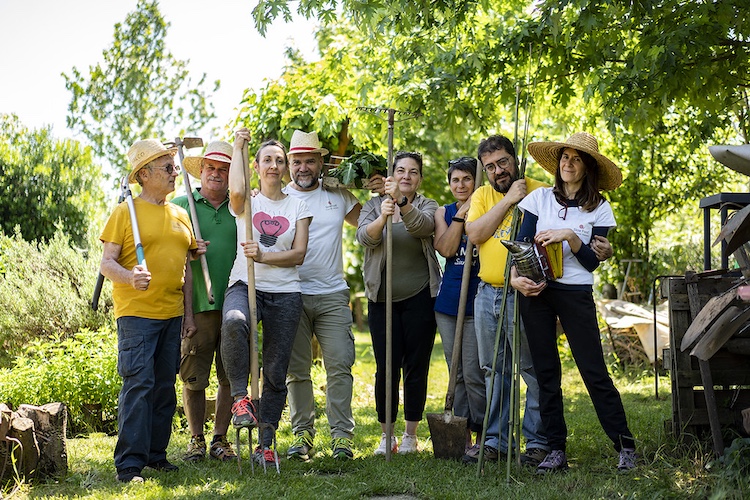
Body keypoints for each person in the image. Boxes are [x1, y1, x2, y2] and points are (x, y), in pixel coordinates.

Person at [511, 132, 635, 473]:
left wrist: (568, 236)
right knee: (546, 373)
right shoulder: (538, 199)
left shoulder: (600, 208)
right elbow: (521, 245)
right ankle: (555, 450)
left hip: (576, 293)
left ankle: (625, 445)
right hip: (537, 292)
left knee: (593, 371)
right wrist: (516, 279)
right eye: (565, 157)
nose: (568, 163)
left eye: (576, 159)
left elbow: (592, 262)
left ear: (587, 168)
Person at [100, 139, 204, 483]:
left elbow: (187, 269)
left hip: (172, 315)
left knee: (163, 387)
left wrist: (189, 315)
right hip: (137, 315)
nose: (175, 173)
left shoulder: (180, 214)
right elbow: (106, 263)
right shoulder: (124, 212)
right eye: (167, 168)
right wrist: (130, 276)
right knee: (139, 385)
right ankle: (129, 463)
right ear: (144, 175)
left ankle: (156, 455)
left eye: (174, 167)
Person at [283, 130, 385, 460]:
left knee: (340, 364)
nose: (303, 167)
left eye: (309, 161)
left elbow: (369, 227)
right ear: (289, 164)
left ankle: (341, 437)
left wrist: (383, 195)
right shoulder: (278, 198)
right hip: (291, 294)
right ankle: (303, 435)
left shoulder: (338, 195)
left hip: (332, 294)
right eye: (297, 161)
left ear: (320, 163)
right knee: (297, 369)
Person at [221, 129, 312, 466]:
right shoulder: (248, 202)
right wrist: (238, 147)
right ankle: (240, 399)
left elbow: (298, 254)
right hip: (245, 284)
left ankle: (266, 444)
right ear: (256, 167)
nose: (274, 165)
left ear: (285, 167)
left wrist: (263, 256)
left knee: (275, 371)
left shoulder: (298, 205)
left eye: (279, 160)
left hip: (285, 293)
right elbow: (236, 190)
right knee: (234, 322)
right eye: (267, 160)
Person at [463, 134, 549, 467]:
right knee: (494, 370)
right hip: (487, 293)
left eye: (503, 162)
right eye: (490, 167)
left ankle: (538, 442)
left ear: (515, 160)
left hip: (526, 294)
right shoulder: (482, 195)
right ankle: (497, 441)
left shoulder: (540, 191)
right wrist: (509, 199)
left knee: (532, 368)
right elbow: (475, 234)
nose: (498, 170)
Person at [356, 151, 441, 455]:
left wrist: (402, 204)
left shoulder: (428, 205)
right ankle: (386, 434)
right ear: (391, 175)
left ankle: (410, 435)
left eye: (413, 172)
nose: (407, 176)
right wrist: (383, 215)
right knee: (386, 367)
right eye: (401, 170)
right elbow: (365, 238)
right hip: (382, 299)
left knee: (416, 365)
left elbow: (423, 227)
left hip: (420, 297)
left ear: (420, 178)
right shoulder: (373, 206)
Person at [172, 141, 237, 463]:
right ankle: (196, 439)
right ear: (201, 171)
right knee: (194, 376)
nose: (216, 174)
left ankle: (220, 439)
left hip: (236, 303)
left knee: (231, 376)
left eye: (224, 169)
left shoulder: (241, 206)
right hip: (197, 304)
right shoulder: (181, 205)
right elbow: (167, 253)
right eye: (211, 168)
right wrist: (187, 248)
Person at [433, 157, 485, 450]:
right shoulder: (444, 212)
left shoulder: (488, 208)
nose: (461, 185)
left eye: (467, 179)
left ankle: (484, 433)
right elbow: (447, 248)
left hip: (478, 300)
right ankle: (461, 432)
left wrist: (473, 211)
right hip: (449, 303)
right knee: (458, 373)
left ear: (477, 182)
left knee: (475, 373)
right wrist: (461, 215)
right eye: (456, 180)